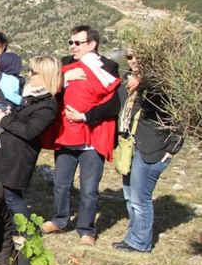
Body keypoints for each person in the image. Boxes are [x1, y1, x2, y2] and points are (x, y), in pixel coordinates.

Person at [42, 26, 121, 246]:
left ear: (92, 44)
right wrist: (65, 76)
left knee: (89, 188)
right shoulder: (65, 63)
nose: (73, 47)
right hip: (66, 134)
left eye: (78, 43)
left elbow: (113, 104)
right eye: (71, 42)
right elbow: (48, 88)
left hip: (92, 137)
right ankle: (59, 219)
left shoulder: (108, 66)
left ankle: (86, 228)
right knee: (61, 183)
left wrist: (85, 116)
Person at [113, 50, 183, 253]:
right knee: (129, 195)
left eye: (138, 56)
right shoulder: (128, 82)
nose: (133, 60)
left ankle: (140, 243)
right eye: (129, 57)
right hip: (130, 146)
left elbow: (179, 118)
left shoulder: (162, 84)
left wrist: (173, 147)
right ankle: (133, 236)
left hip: (153, 148)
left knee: (139, 198)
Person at [0, 56, 61, 235]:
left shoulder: (47, 105)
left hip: (18, 155)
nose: (29, 75)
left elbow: (30, 131)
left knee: (10, 194)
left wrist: (3, 119)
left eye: (34, 72)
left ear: (45, 75)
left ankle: (29, 232)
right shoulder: (30, 95)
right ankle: (9, 227)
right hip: (6, 150)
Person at [0, 52, 24, 150]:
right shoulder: (9, 78)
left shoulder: (4, 76)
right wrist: (21, 101)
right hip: (6, 104)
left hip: (3, 103)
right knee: (3, 119)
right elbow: (10, 94)